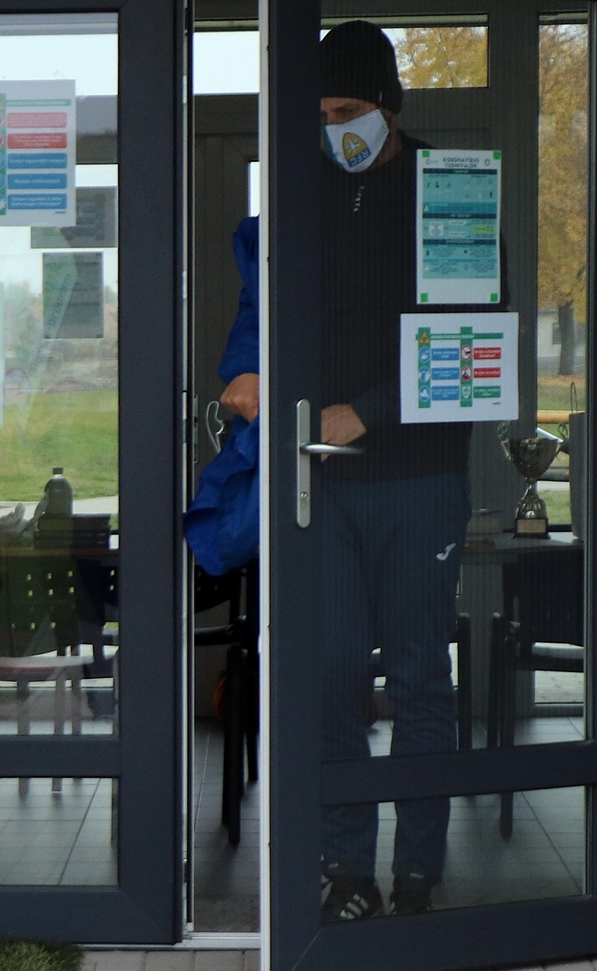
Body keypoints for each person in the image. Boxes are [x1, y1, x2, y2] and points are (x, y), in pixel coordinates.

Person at [219, 20, 484, 920]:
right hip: (318, 481)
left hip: (419, 478)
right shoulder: (299, 193)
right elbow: (258, 303)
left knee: (418, 678)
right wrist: (243, 371)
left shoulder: (451, 192)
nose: (333, 130)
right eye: (320, 115)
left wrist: (365, 409)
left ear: (388, 106)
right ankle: (348, 871)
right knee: (329, 674)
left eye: (346, 111)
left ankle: (417, 873)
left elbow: (471, 337)